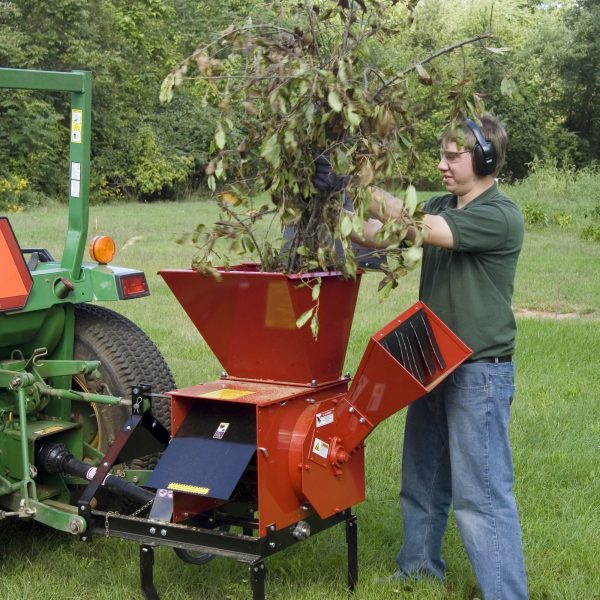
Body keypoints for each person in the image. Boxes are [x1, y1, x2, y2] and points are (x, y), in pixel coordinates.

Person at [316, 114, 528, 599]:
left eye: (452, 156)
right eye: (441, 155)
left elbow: (417, 227)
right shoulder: (440, 205)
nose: (442, 165)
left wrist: (354, 182)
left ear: (486, 158)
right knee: (422, 480)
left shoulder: (499, 214)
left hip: (479, 371)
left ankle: (506, 594)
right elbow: (378, 234)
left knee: (482, 497)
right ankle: (418, 569)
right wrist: (333, 205)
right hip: (431, 360)